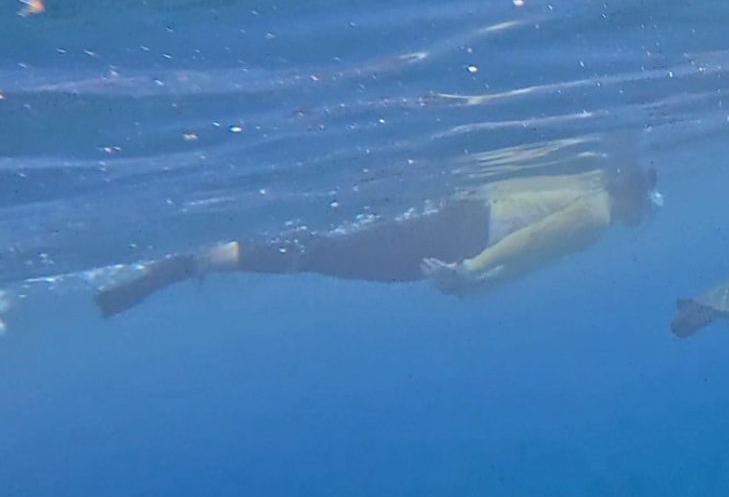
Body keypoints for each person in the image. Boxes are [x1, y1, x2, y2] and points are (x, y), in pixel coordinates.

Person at [94, 157, 661, 318]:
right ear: (632, 195)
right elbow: (530, 246)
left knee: (331, 249)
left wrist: (475, 282)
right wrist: (470, 274)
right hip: (461, 235)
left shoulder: (588, 194)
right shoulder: (596, 215)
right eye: (648, 206)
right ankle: (189, 263)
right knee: (326, 253)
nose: (645, 218)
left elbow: (528, 252)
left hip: (461, 223)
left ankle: (200, 261)